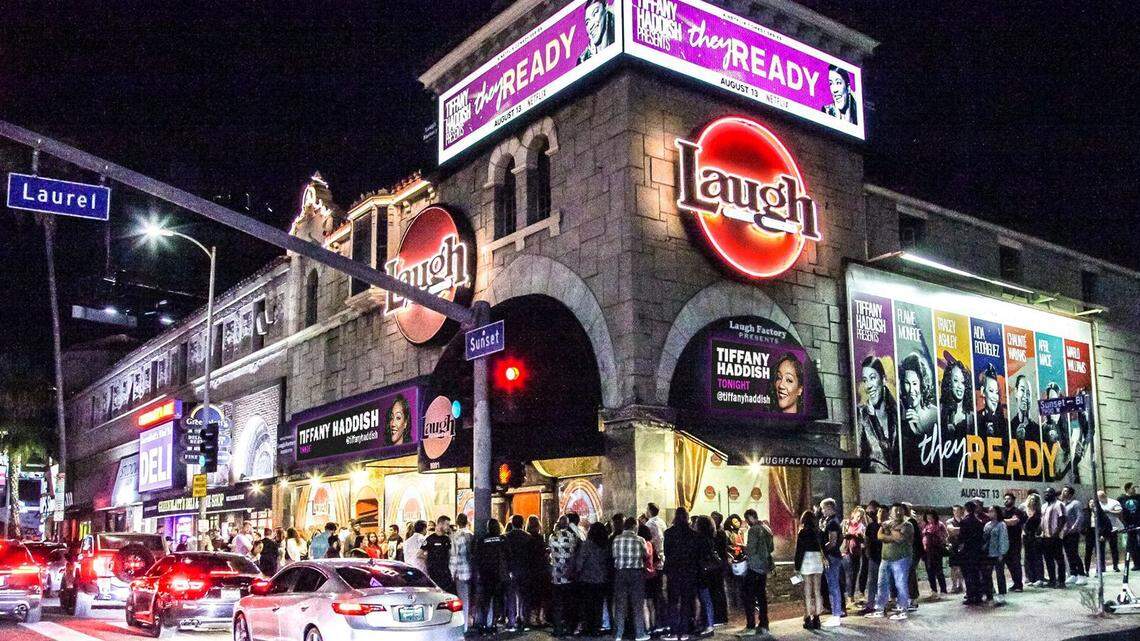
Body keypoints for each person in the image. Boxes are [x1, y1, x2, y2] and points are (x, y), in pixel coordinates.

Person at [866, 503, 913, 620]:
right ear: (891, 512)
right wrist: (892, 533)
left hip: (901, 559)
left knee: (900, 585)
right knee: (881, 584)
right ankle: (880, 609)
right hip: (885, 559)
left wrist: (889, 531)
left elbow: (900, 538)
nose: (897, 513)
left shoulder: (908, 525)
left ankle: (903, 610)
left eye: (900, 510)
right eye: (895, 510)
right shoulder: (886, 524)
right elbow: (880, 536)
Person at [857, 356, 899, 474]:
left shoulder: (898, 415)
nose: (869, 385)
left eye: (872, 378)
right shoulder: (861, 415)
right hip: (871, 484)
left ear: (883, 379)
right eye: (865, 380)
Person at [664, 507, 701, 640]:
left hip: (673, 572)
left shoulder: (668, 533)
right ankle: (684, 632)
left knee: (673, 602)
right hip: (689, 572)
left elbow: (667, 553)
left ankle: (674, 632)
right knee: (686, 602)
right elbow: (696, 555)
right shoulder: (694, 534)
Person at [899, 352, 939, 474]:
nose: (911, 390)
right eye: (907, 383)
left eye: (915, 383)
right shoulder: (899, 416)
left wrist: (919, 432)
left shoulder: (935, 415)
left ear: (922, 384)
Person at [612, 517, 649, 641]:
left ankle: (618, 634)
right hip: (636, 574)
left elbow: (614, 555)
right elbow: (646, 555)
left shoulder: (616, 539)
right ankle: (640, 634)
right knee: (637, 605)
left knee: (620, 605)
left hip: (620, 573)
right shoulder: (640, 540)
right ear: (634, 526)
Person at [939, 358, 975, 476]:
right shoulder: (940, 412)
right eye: (955, 381)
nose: (960, 386)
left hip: (967, 473)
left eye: (963, 382)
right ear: (949, 383)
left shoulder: (972, 417)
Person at [741, 509, 773, 636]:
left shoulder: (754, 530)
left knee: (748, 595)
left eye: (747, 519)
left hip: (754, 566)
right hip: (764, 567)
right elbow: (771, 547)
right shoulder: (766, 528)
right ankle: (764, 623)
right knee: (761, 595)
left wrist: (745, 548)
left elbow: (751, 549)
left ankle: (750, 624)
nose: (747, 523)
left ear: (750, 517)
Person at [575, 522, 610, 636]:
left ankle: (587, 628)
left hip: (587, 579)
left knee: (587, 605)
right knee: (598, 605)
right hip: (601, 579)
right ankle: (596, 628)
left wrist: (577, 572)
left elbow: (580, 562)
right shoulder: (606, 545)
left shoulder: (587, 545)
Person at [549, 515, 581, 637]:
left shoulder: (553, 537)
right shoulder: (572, 537)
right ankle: (569, 628)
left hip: (556, 576)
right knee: (569, 604)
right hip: (568, 575)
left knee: (557, 605)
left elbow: (551, 549)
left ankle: (557, 630)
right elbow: (577, 545)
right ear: (567, 524)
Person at [794, 510, 825, 630]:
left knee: (807, 592)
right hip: (817, 559)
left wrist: (797, 566)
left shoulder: (803, 532)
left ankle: (807, 618)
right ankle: (817, 618)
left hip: (806, 559)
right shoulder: (819, 532)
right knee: (817, 591)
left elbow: (799, 551)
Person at [504, 515, 534, 632]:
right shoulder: (528, 537)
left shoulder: (507, 537)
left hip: (511, 570)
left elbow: (506, 555)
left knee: (511, 596)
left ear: (512, 523)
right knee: (524, 596)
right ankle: (523, 619)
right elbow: (530, 556)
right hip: (525, 570)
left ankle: (511, 621)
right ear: (522, 524)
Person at [476, 519, 507, 634]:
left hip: (486, 574)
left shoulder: (482, 540)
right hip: (498, 574)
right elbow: (508, 555)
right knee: (497, 601)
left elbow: (477, 557)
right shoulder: (502, 539)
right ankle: (493, 625)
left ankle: (484, 625)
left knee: (485, 601)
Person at [818, 498, 844, 627]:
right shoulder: (829, 521)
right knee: (832, 585)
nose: (822, 511)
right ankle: (836, 613)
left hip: (832, 557)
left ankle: (836, 615)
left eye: (823, 508)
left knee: (833, 586)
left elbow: (832, 542)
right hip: (832, 556)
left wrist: (822, 550)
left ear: (829, 507)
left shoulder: (833, 522)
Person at [693, 516, 720, 635]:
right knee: (706, 599)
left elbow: (699, 557)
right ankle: (707, 624)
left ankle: (709, 625)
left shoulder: (700, 540)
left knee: (705, 599)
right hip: (707, 573)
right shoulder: (710, 538)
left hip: (701, 573)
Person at [449, 514, 475, 631]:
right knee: (472, 599)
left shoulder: (456, 536)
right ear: (467, 522)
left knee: (463, 600)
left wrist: (451, 572)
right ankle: (473, 621)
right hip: (473, 572)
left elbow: (454, 556)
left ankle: (464, 626)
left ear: (457, 522)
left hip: (461, 572)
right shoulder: (472, 535)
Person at [525, 516, 550, 628]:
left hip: (531, 571)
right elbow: (542, 553)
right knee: (541, 595)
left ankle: (532, 619)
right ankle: (540, 618)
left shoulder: (527, 538)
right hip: (541, 570)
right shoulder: (539, 538)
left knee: (532, 596)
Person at [1060, 486, 1088, 585]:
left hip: (1073, 533)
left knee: (1074, 553)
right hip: (1064, 533)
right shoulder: (1062, 505)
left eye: (1066, 491)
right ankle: (1073, 574)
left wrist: (1074, 528)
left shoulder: (1075, 503)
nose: (1063, 492)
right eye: (1063, 491)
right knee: (1068, 554)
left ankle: (1082, 574)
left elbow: (1080, 516)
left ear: (1071, 494)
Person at [1040, 488, 1068, 588]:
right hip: (1045, 536)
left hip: (1055, 537)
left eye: (1048, 493)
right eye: (1045, 493)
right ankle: (1052, 580)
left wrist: (1056, 533)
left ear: (1053, 494)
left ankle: (1061, 581)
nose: (1046, 495)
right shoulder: (1043, 506)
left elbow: (1063, 518)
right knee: (1048, 559)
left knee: (1059, 559)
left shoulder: (1059, 504)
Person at [982, 506, 1009, 604]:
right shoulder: (987, 525)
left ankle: (1001, 594)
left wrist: (1002, 553)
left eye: (992, 511)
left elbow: (1003, 539)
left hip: (997, 554)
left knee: (1000, 574)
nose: (990, 513)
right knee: (987, 575)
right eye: (989, 511)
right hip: (988, 553)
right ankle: (989, 594)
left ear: (997, 512)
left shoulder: (1001, 525)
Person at [1000, 493, 1027, 591]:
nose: (1006, 500)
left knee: (1015, 563)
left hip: (1015, 541)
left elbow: (1014, 521)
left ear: (1013, 500)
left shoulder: (1017, 511)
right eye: (1005, 499)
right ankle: (1015, 584)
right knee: (1009, 564)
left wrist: (1001, 521)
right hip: (1004, 541)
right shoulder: (1002, 512)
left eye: (1009, 499)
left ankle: (1019, 585)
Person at [576, 0, 616, 64]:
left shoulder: (619, 31)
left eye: (595, 13)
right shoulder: (583, 60)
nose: (591, 25)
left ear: (605, 7)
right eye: (587, 22)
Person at [861, 505, 884, 613]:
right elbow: (867, 539)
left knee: (882, 582)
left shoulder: (887, 525)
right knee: (872, 581)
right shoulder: (871, 526)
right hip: (874, 556)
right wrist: (867, 552)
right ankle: (870, 604)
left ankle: (880, 604)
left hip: (885, 557)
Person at [708, 512, 729, 626]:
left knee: (717, 591)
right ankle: (721, 616)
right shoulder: (719, 533)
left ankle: (720, 616)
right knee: (719, 591)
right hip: (720, 565)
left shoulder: (718, 534)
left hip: (717, 566)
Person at [842, 507, 866, 603]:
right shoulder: (846, 523)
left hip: (856, 552)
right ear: (853, 514)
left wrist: (858, 537)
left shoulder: (862, 526)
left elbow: (863, 540)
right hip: (847, 551)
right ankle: (849, 597)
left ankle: (851, 596)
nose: (859, 518)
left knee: (855, 574)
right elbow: (842, 534)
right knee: (849, 574)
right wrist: (849, 535)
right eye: (858, 515)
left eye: (861, 517)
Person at [425, 516, 455, 593]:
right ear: (441, 524)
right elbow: (420, 554)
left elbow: (452, 553)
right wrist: (430, 560)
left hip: (445, 571)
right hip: (434, 572)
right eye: (447, 524)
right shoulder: (430, 539)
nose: (448, 527)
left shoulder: (447, 539)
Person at [921, 511, 948, 596]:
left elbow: (946, 534)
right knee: (929, 571)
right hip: (926, 551)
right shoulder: (925, 525)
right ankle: (934, 590)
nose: (929, 519)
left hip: (936, 550)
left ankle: (943, 590)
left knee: (939, 570)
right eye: (928, 517)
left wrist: (941, 540)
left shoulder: (939, 524)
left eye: (931, 517)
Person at [1096, 490, 1122, 573]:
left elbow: (1119, 512)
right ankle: (1102, 567)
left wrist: (1109, 511)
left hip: (1113, 528)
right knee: (1101, 549)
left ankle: (1115, 565)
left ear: (1104, 495)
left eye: (1101, 496)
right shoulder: (1098, 504)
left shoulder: (1113, 502)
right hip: (1102, 529)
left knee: (1114, 548)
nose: (1100, 498)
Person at [1023, 494, 1045, 587]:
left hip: (1036, 536)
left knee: (1037, 557)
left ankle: (1039, 578)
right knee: (1027, 557)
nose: (1033, 501)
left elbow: (1041, 524)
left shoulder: (1039, 512)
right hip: (1026, 536)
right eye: (1031, 499)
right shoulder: (1024, 511)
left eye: (1035, 500)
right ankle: (1029, 578)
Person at [1119, 483, 1140, 571]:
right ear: (1127, 489)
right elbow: (1120, 512)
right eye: (1132, 488)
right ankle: (1137, 564)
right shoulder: (1121, 499)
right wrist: (1123, 524)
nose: (1134, 489)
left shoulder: (1139, 497)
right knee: (1132, 545)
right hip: (1129, 525)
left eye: (1135, 487)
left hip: (1139, 523)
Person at [946, 505, 965, 593]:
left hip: (963, 546)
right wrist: (965, 529)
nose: (956, 512)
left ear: (961, 511)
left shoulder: (964, 521)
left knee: (962, 567)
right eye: (954, 510)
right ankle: (954, 585)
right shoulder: (950, 521)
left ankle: (961, 585)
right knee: (953, 567)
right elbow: (952, 530)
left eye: (958, 510)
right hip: (953, 546)